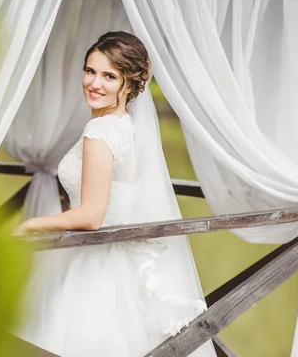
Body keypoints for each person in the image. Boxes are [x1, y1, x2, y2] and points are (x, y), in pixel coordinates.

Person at [12, 31, 216, 356]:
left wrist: (32, 224)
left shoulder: (101, 131)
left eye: (109, 75)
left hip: (92, 264)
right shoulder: (127, 127)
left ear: (130, 84)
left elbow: (92, 216)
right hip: (118, 259)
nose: (94, 83)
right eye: (90, 71)